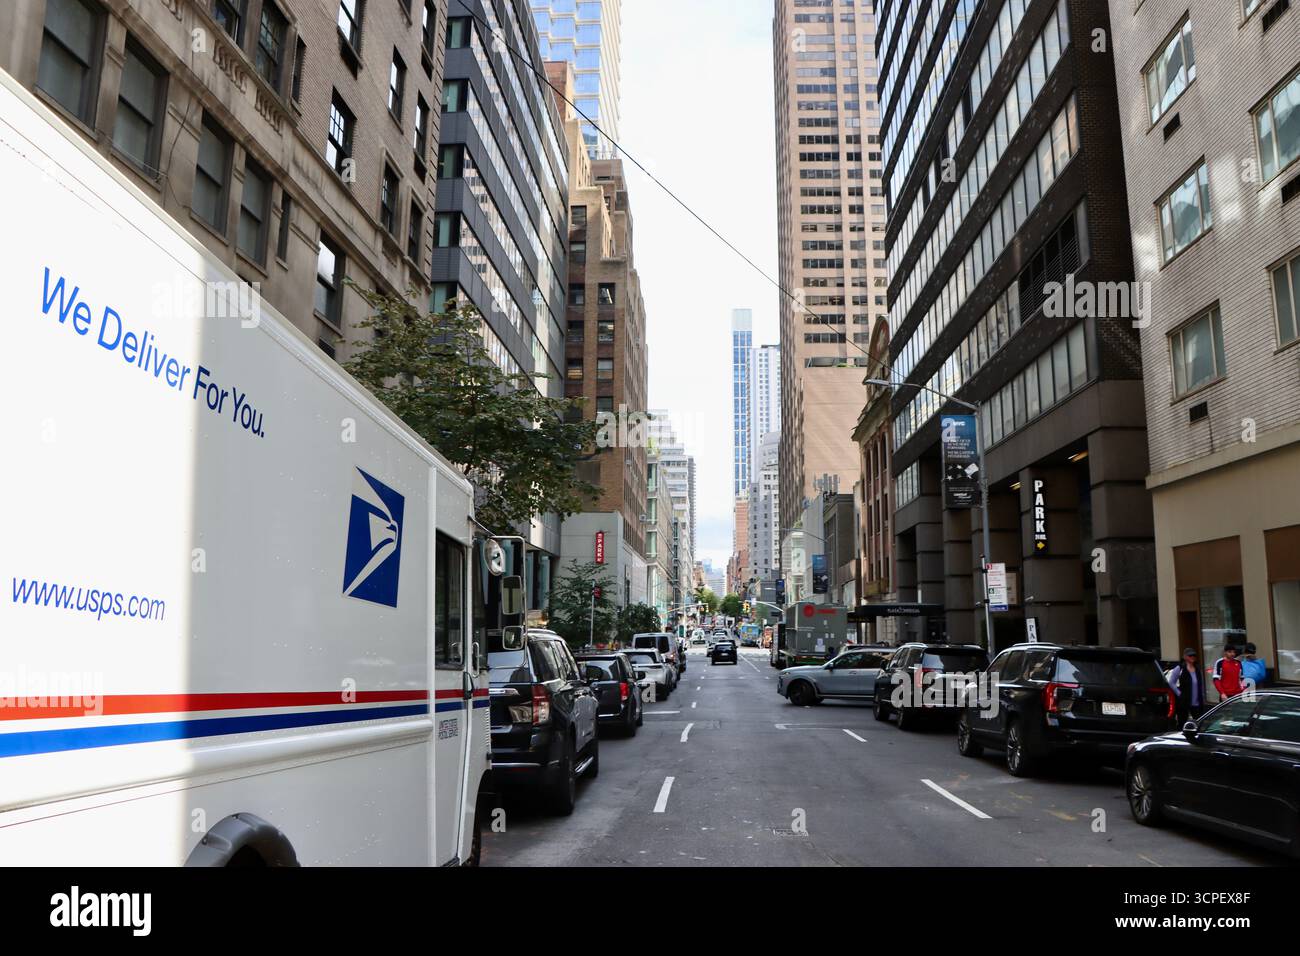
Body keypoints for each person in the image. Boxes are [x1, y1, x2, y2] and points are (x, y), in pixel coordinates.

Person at [1167, 648, 1206, 724]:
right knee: (1182, 722)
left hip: (1197, 703)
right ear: (1185, 657)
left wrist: (1202, 696)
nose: (1192, 657)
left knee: (1199, 723)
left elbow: (1200, 684)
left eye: (1194, 655)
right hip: (1184, 702)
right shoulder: (1179, 668)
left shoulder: (1197, 669)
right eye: (1190, 655)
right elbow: (1171, 683)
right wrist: (1179, 694)